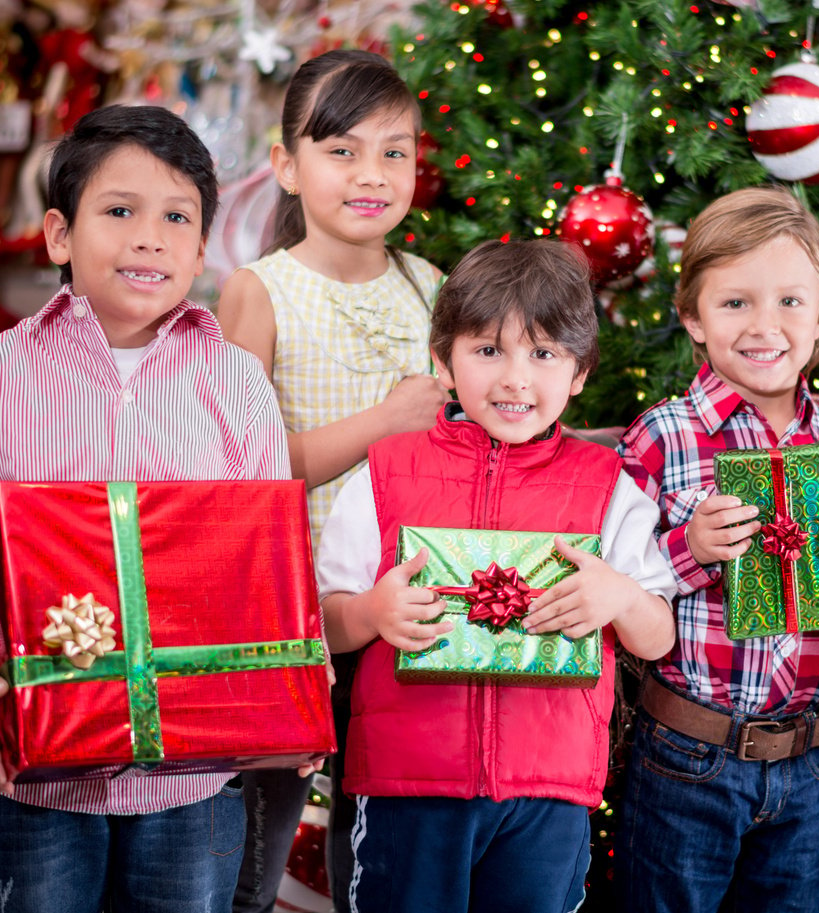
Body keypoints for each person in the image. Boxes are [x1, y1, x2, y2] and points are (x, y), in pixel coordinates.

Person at [0, 104, 291, 913]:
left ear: (202, 245)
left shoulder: (238, 384)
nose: (151, 237)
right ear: (58, 234)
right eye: (119, 211)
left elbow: (264, 567)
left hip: (192, 780)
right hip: (28, 772)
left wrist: (283, 684)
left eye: (177, 216)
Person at [317, 238, 678, 913]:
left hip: (549, 793)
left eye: (542, 354)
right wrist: (372, 612)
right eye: (487, 350)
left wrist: (619, 594)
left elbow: (656, 636)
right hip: (407, 784)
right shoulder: (385, 472)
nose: (515, 378)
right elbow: (326, 619)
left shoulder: (608, 486)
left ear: (579, 371)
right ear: (443, 359)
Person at [616, 185, 819, 913]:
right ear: (692, 318)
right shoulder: (662, 437)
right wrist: (688, 548)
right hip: (687, 752)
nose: (763, 325)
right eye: (734, 302)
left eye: (789, 303)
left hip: (807, 761)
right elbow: (614, 580)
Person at [215, 49, 447, 913]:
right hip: (290, 611)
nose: (372, 173)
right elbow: (242, 471)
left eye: (395, 151)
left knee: (377, 840)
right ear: (286, 166)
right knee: (253, 843)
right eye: (341, 150)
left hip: (403, 607)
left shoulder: (430, 285)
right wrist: (382, 423)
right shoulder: (260, 291)